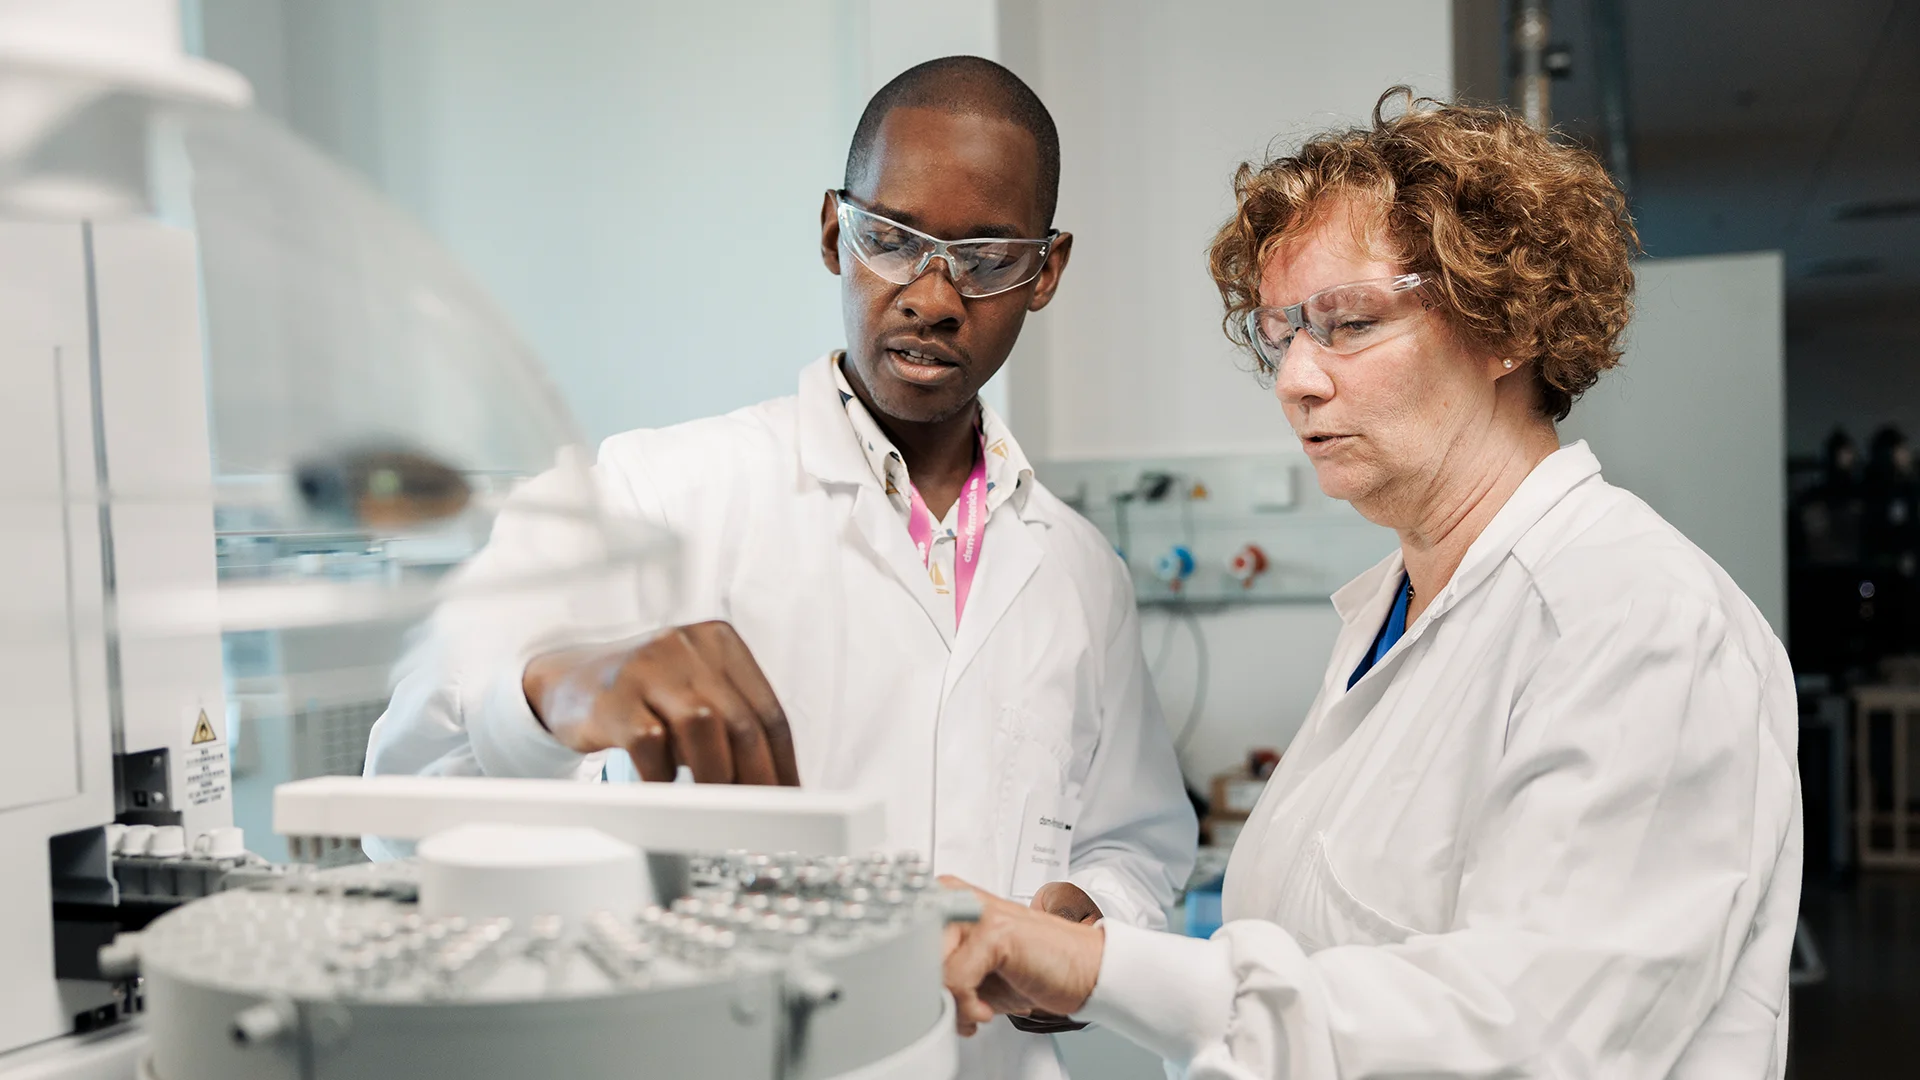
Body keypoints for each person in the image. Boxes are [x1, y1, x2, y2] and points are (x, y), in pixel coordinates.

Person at [941, 89, 1802, 1079]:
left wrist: (1099, 969)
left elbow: (1526, 1039)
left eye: (1346, 324)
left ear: (1503, 324)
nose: (1296, 380)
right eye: (1280, 334)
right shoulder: (1390, 614)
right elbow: (1324, 968)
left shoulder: (1638, 624)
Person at [363, 56, 1196, 1078]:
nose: (932, 297)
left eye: (984, 258)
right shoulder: (647, 493)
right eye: (890, 240)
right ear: (831, 232)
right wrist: (561, 690)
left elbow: (1138, 843)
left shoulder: (1078, 569)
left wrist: (1074, 924)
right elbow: (401, 808)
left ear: (1048, 269)